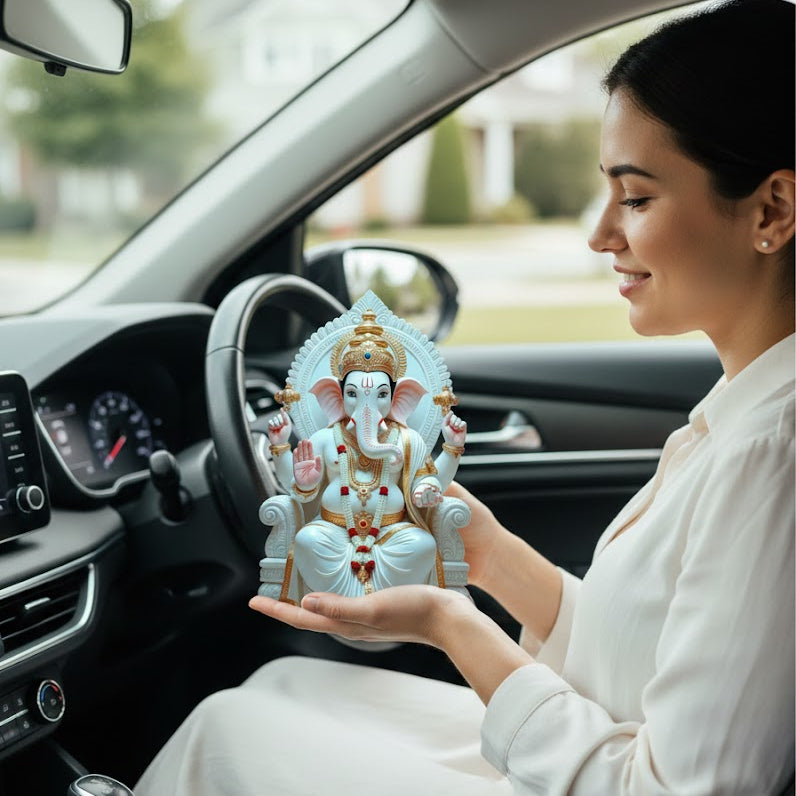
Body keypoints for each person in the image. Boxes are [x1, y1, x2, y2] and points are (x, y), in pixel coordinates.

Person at [135, 0, 795, 793]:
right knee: (281, 687)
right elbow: (650, 659)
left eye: (638, 198)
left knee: (223, 731)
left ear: (772, 210)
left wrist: (451, 624)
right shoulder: (747, 405)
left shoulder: (769, 450)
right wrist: (485, 551)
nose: (599, 234)